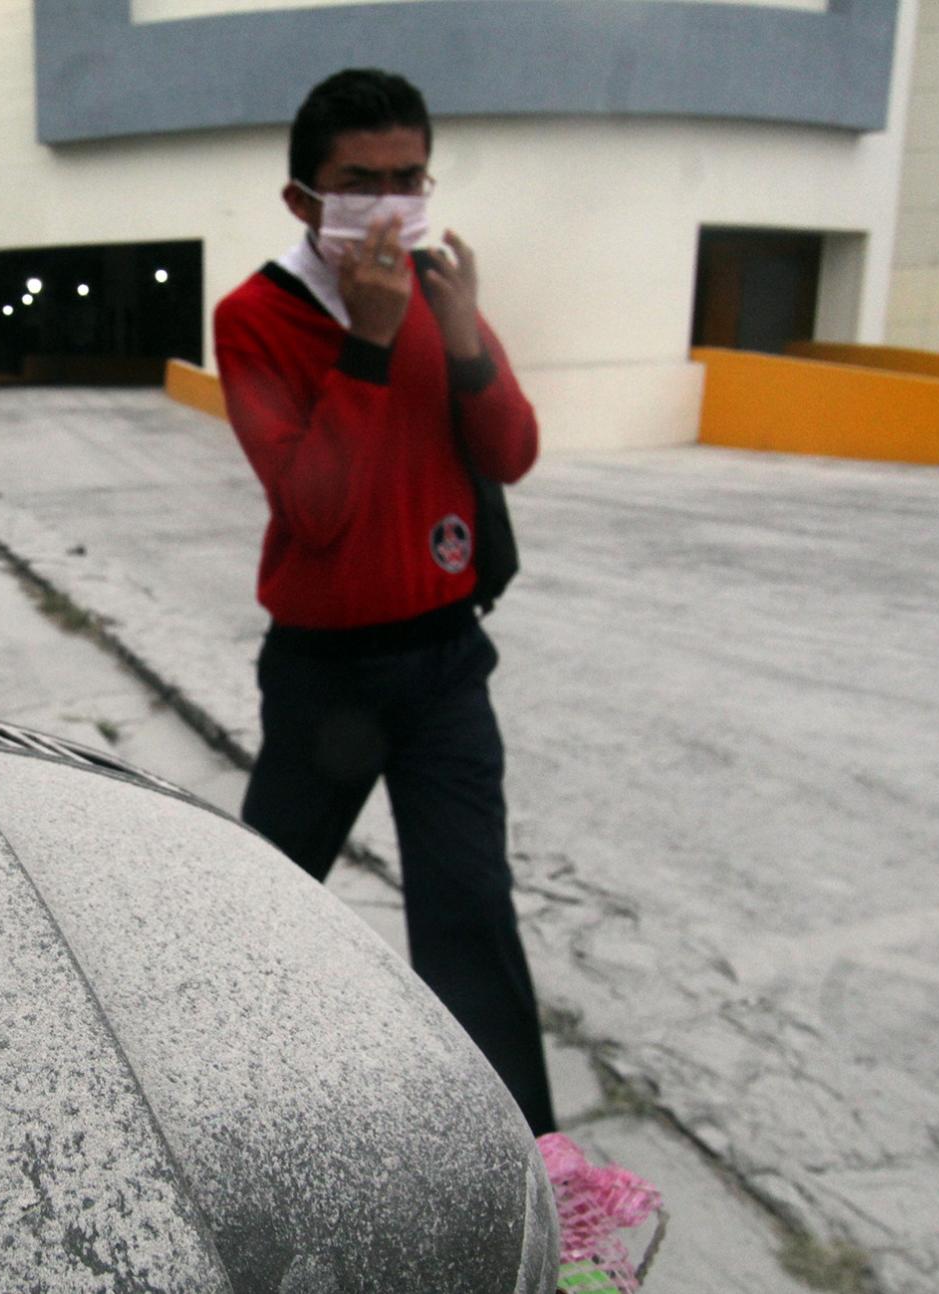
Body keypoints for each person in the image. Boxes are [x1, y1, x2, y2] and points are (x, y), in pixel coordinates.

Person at [213, 68, 554, 1134]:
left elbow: (511, 449)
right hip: (324, 677)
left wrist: (455, 339)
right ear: (301, 201)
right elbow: (313, 507)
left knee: (468, 916)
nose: (389, 201)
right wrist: (365, 342)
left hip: (446, 665)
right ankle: (221, 1102)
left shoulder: (435, 299)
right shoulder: (255, 319)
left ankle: (527, 1162)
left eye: (408, 177)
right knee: (267, 905)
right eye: (360, 182)